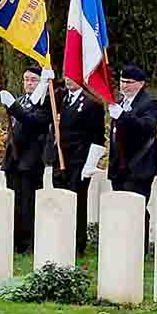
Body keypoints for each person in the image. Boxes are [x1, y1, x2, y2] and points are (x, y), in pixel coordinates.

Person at [49, 75, 108, 257]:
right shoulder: (61, 98)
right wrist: (45, 83)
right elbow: (44, 106)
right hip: (61, 159)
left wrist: (90, 165)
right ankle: (60, 239)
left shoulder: (92, 104)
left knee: (77, 203)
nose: (68, 80)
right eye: (66, 76)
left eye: (73, 76)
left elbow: (98, 137)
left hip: (79, 162)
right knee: (61, 201)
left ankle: (77, 244)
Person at [0, 67, 54, 254]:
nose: (28, 83)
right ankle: (16, 241)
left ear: (42, 83)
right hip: (14, 159)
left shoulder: (45, 104)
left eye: (33, 80)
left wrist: (13, 107)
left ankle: (29, 242)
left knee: (28, 204)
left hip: (31, 160)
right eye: (26, 79)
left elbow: (32, 122)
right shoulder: (23, 101)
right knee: (14, 203)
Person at [107, 64, 157, 247]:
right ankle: (123, 244)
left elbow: (147, 126)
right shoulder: (120, 102)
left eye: (129, 82)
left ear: (141, 83)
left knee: (136, 207)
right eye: (122, 81)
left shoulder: (149, 103)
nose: (124, 86)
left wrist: (123, 116)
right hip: (119, 166)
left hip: (139, 165)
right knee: (121, 207)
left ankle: (139, 246)